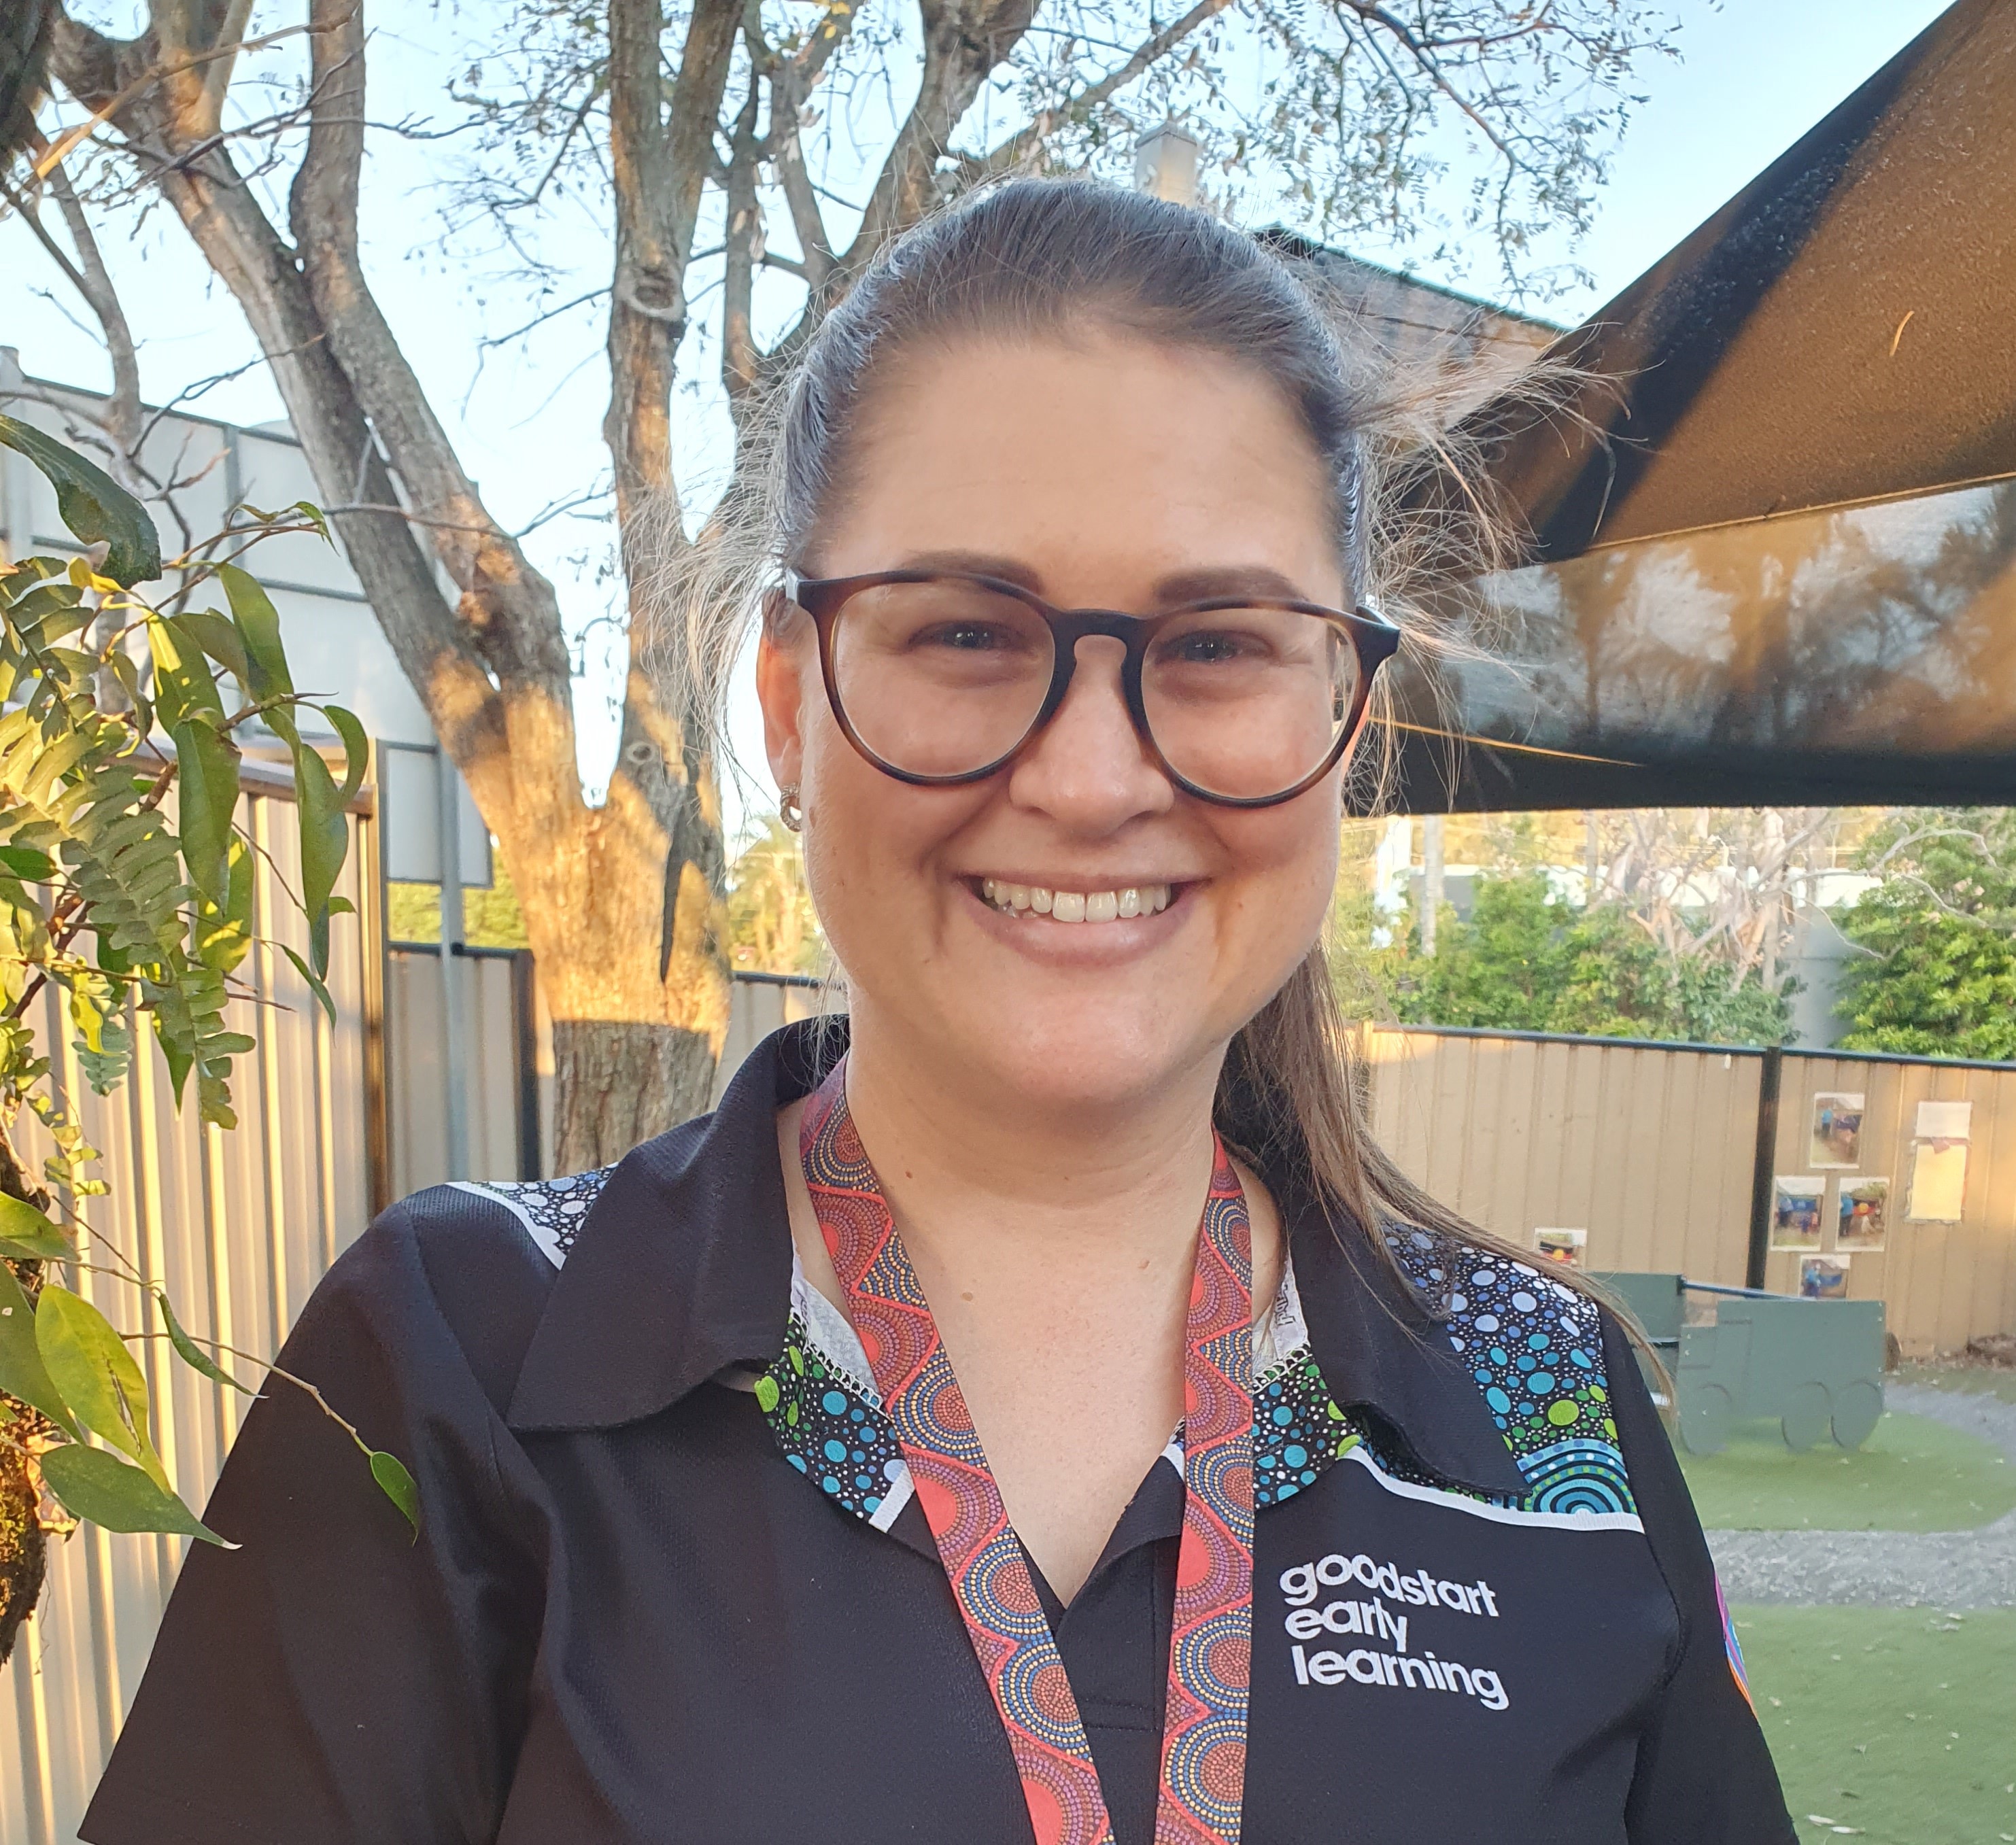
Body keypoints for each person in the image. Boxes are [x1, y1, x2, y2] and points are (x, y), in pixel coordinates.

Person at [82, 180, 1794, 1845]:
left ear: (1345, 714)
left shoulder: (1545, 1398)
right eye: (970, 632)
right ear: (788, 699)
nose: (1091, 779)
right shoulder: (465, 1345)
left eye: (1218, 644)